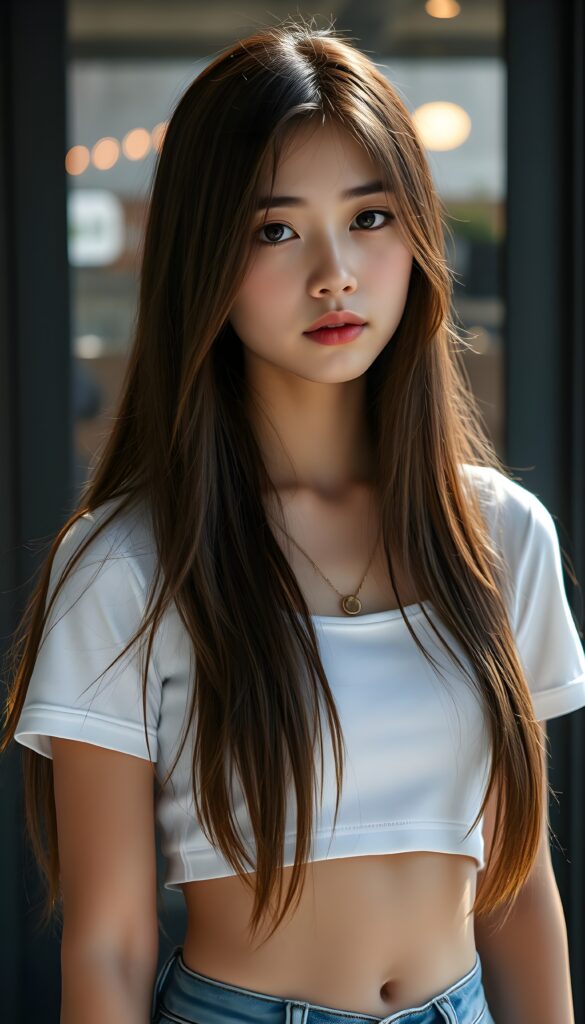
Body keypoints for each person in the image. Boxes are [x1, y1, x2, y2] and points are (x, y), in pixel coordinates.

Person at [2, 16, 585, 1024]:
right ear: (204, 257)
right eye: (275, 229)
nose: (335, 272)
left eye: (370, 217)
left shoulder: (498, 536)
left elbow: (515, 891)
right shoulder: (129, 563)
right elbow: (108, 943)